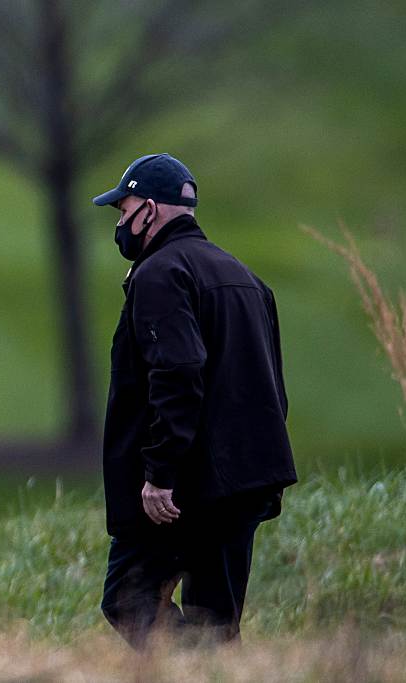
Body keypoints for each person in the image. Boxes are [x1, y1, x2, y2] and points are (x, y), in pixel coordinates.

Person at [92, 154, 297, 647]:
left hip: (188, 486)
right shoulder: (244, 277)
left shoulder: (160, 273)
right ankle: (217, 667)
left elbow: (178, 374)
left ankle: (200, 667)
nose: (120, 221)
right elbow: (271, 385)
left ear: (153, 210)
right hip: (245, 479)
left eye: (125, 208)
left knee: (129, 596)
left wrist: (160, 474)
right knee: (216, 620)